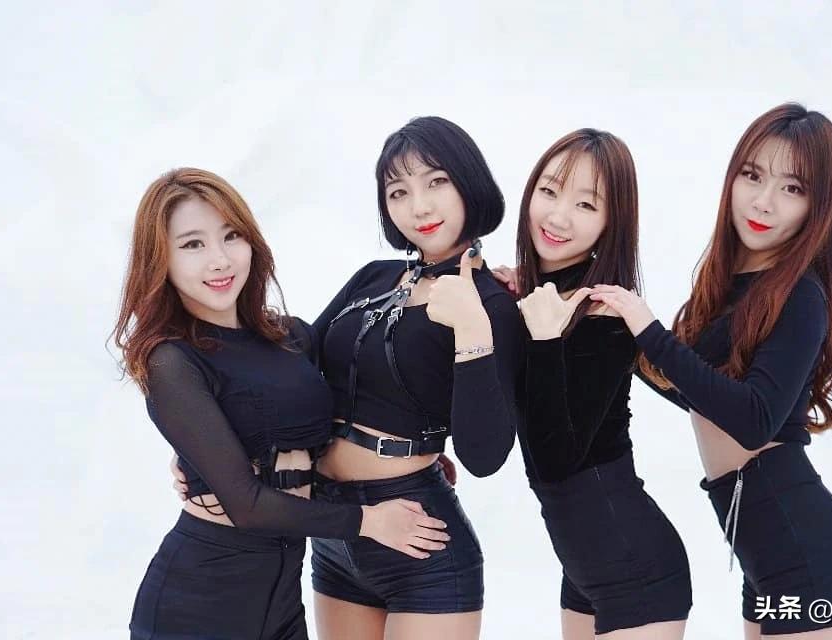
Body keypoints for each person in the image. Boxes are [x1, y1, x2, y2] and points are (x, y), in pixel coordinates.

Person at [116, 168, 447, 640]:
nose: (219, 260)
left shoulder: (291, 337)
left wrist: (409, 456)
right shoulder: (172, 361)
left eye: (231, 236)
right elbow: (247, 506)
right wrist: (370, 521)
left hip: (283, 609)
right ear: (160, 260)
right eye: (192, 245)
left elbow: (365, 371)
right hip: (196, 610)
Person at [589, 104, 832, 638]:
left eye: (792, 188)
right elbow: (700, 394)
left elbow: (753, 419)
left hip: (816, 566)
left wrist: (650, 332)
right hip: (764, 561)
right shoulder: (730, 286)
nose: (764, 201)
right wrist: (613, 330)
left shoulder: (801, 296)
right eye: (752, 175)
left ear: (819, 205)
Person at [306, 116, 522, 640]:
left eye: (436, 182)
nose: (418, 207)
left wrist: (472, 328)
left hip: (421, 546)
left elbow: (484, 456)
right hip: (333, 533)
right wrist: (212, 448)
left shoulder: (492, 305)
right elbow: (294, 366)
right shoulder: (373, 276)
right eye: (398, 192)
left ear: (469, 183)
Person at [499, 128, 692, 639]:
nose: (558, 216)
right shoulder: (535, 297)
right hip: (583, 570)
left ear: (612, 222)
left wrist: (544, 340)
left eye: (586, 204)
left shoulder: (606, 315)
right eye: (549, 191)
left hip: (638, 574)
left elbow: (557, 461)